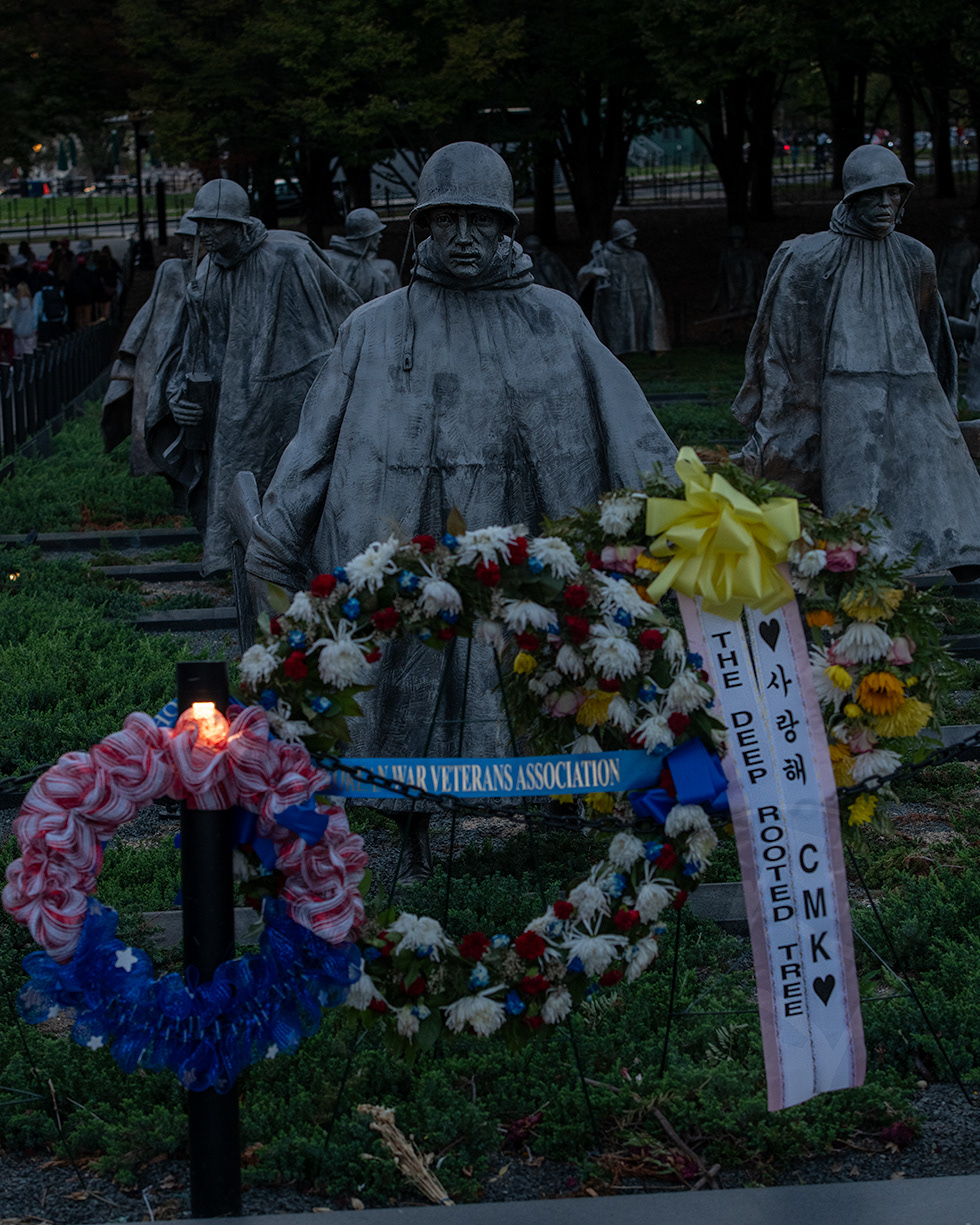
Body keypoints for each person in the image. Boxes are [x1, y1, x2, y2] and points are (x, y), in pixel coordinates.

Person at [245, 141, 677, 879]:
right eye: (448, 221)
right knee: (409, 685)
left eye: (481, 221)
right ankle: (409, 824)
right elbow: (314, 441)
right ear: (426, 226)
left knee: (541, 666)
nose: (465, 237)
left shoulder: (555, 320)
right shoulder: (376, 326)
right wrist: (277, 536)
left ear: (506, 226)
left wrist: (686, 514)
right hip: (412, 544)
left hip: (525, 541)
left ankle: (560, 800)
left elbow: (626, 424)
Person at [733, 143, 980, 577]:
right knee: (857, 481)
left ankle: (954, 547)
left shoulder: (915, 256)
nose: (885, 204)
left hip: (914, 379)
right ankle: (861, 558)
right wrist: (787, 409)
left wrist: (941, 398)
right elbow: (787, 343)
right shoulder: (811, 256)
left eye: (893, 193)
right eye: (873, 194)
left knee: (936, 472)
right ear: (851, 198)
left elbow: (932, 332)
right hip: (848, 381)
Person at [145, 179, 362, 575]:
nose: (204, 232)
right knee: (235, 485)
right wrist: (179, 393)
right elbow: (193, 342)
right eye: (201, 223)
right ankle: (233, 563)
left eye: (215, 223)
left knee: (299, 484)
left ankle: (307, 563)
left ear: (240, 225)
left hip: (294, 397)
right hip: (232, 408)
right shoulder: (207, 271)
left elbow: (343, 310)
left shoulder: (288, 256)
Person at [101, 213, 200, 488]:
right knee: (157, 419)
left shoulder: (220, 275)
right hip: (159, 359)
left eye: (192, 240)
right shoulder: (171, 270)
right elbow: (148, 314)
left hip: (195, 365)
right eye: (183, 240)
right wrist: (129, 357)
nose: (186, 247)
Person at [576, 219, 670, 356]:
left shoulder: (639, 258)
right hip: (615, 303)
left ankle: (641, 349)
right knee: (617, 332)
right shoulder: (605, 255)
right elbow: (582, 274)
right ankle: (617, 353)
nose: (634, 238)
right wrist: (595, 271)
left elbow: (650, 283)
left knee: (638, 328)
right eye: (629, 236)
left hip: (639, 300)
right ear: (620, 238)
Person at [324, 208, 399, 303]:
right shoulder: (330, 259)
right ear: (368, 235)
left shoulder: (375, 267)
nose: (380, 236)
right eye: (377, 232)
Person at [934, 215, 979, 319]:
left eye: (956, 229)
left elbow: (972, 282)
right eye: (951, 228)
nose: (953, 232)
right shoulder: (943, 248)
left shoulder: (972, 251)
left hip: (958, 299)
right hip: (942, 295)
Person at [9, 282, 38, 356]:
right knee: (29, 350)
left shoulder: (17, 303)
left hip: (19, 330)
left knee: (19, 351)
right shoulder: (32, 302)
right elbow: (35, 315)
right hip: (30, 330)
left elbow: (12, 317)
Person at [0, 275, 15, 364]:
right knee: (10, 346)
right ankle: (11, 365)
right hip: (8, 325)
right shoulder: (7, 295)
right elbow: (16, 305)